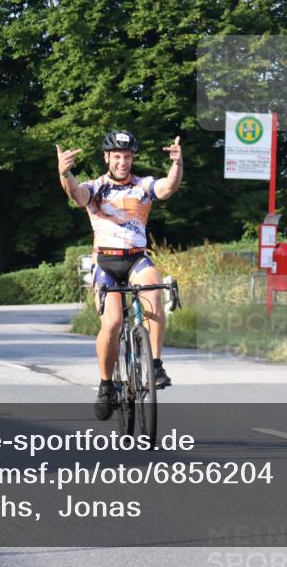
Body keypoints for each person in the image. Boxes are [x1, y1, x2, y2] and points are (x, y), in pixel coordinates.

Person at [56, 130, 183, 420]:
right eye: (117, 157)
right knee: (112, 322)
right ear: (107, 158)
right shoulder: (97, 187)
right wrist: (65, 174)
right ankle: (105, 385)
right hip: (106, 264)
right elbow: (77, 195)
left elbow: (166, 189)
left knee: (153, 290)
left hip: (137, 258)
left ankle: (156, 364)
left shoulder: (143, 185)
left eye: (127, 157)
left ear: (132, 158)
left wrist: (176, 164)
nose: (122, 162)